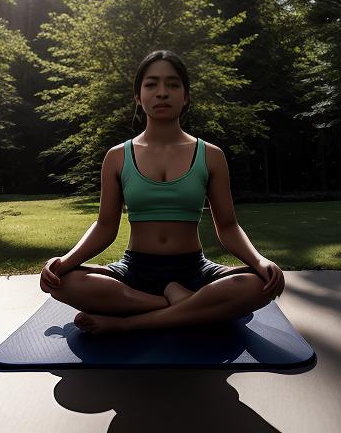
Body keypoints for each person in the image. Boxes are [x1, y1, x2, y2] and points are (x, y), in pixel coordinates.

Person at [39, 49, 284, 334]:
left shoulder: (211, 155)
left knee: (260, 284)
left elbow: (228, 226)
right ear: (138, 96)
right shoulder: (117, 156)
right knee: (66, 283)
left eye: (173, 84)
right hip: (134, 271)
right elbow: (105, 227)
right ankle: (186, 305)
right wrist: (64, 262)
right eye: (151, 84)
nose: (162, 92)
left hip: (194, 270)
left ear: (186, 96)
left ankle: (128, 324)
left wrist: (260, 260)